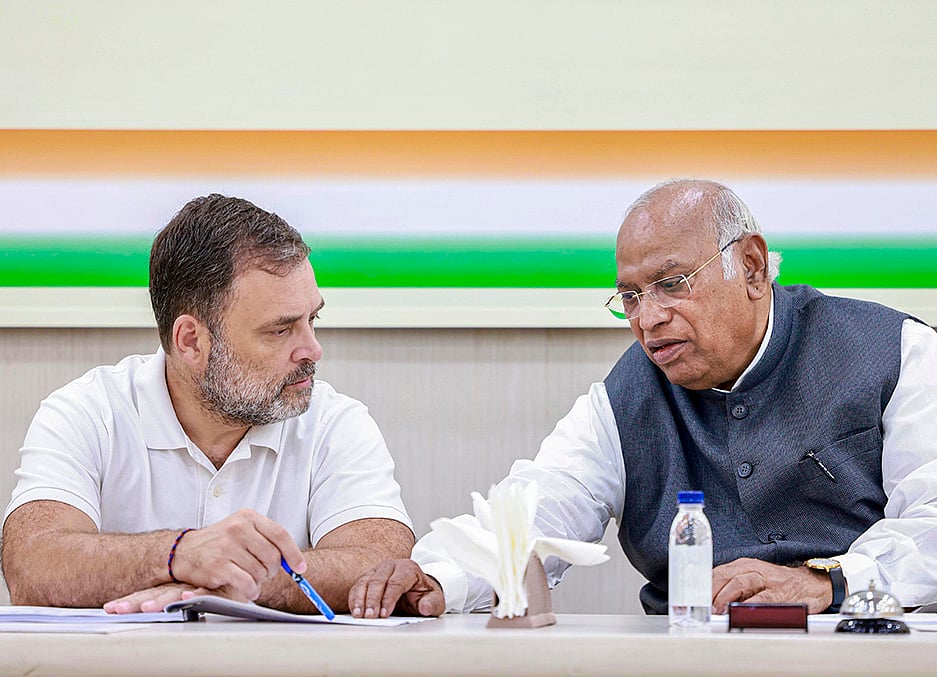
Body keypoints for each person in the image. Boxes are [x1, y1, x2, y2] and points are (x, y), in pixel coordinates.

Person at [348, 178, 937, 619]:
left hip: (862, 646)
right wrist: (435, 578)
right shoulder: (626, 396)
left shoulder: (896, 352)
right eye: (629, 296)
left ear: (752, 267)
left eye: (671, 284)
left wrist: (826, 581)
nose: (648, 319)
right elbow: (539, 506)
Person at [2, 194, 414, 614]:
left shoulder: (335, 422)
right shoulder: (87, 412)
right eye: (280, 330)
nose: (312, 349)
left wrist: (235, 582)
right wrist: (180, 553)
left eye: (313, 319)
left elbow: (382, 565)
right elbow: (32, 565)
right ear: (191, 341)